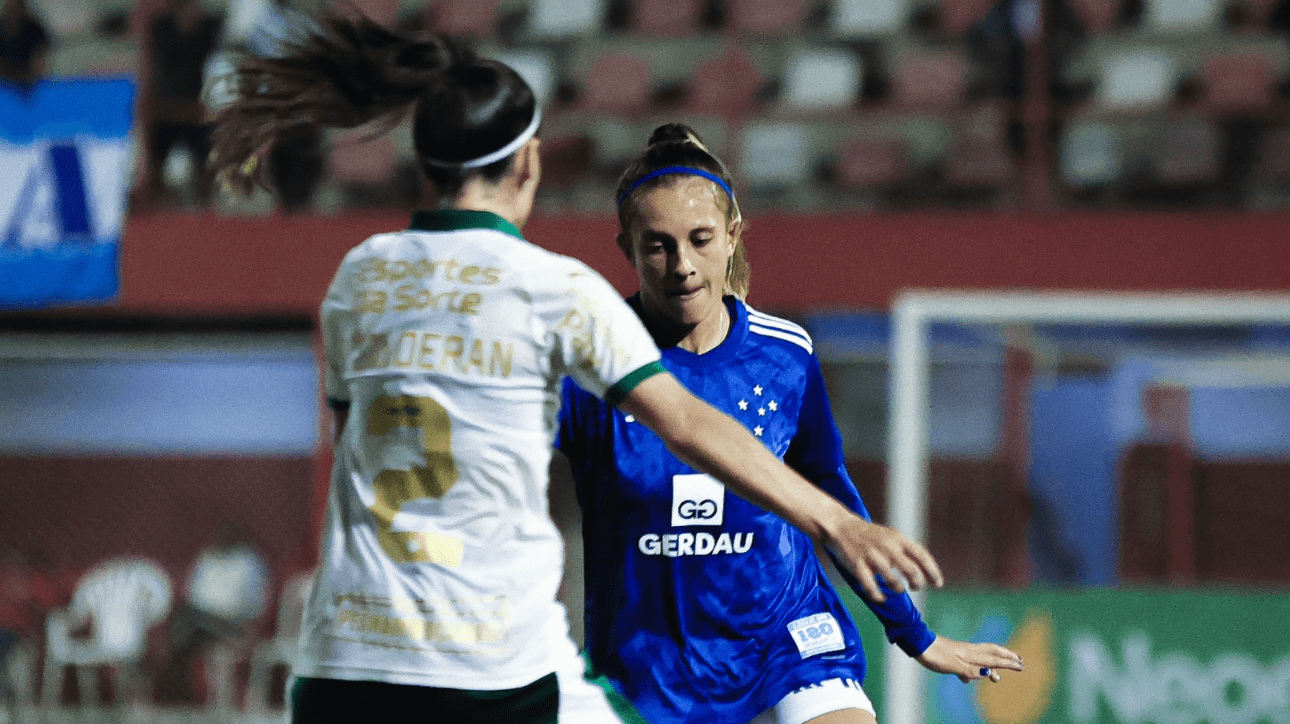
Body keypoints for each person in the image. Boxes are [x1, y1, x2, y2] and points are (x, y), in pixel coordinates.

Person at [208, 15, 945, 724]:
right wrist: (839, 525)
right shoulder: (556, 292)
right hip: (488, 665)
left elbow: (355, 439)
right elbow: (686, 422)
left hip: (345, 656)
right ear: (528, 162)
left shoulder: (356, 279)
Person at [556, 124, 1025, 724]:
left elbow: (831, 492)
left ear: (731, 237)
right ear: (626, 249)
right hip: (649, 663)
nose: (682, 265)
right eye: (658, 246)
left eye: (700, 240)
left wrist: (916, 635)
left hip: (788, 639)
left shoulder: (786, 354)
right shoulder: (587, 368)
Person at [144, 0, 222, 207]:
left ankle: (206, 207)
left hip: (196, 107)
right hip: (168, 107)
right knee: (157, 165)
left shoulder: (210, 26)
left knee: (206, 166)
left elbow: (218, 65)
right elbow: (152, 65)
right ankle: (161, 210)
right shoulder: (161, 26)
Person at [0, 0, 48, 90]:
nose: (14, 12)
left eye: (17, 7)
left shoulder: (33, 28)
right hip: (4, 77)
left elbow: (41, 56)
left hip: (27, 77)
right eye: (11, 8)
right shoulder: (2, 27)